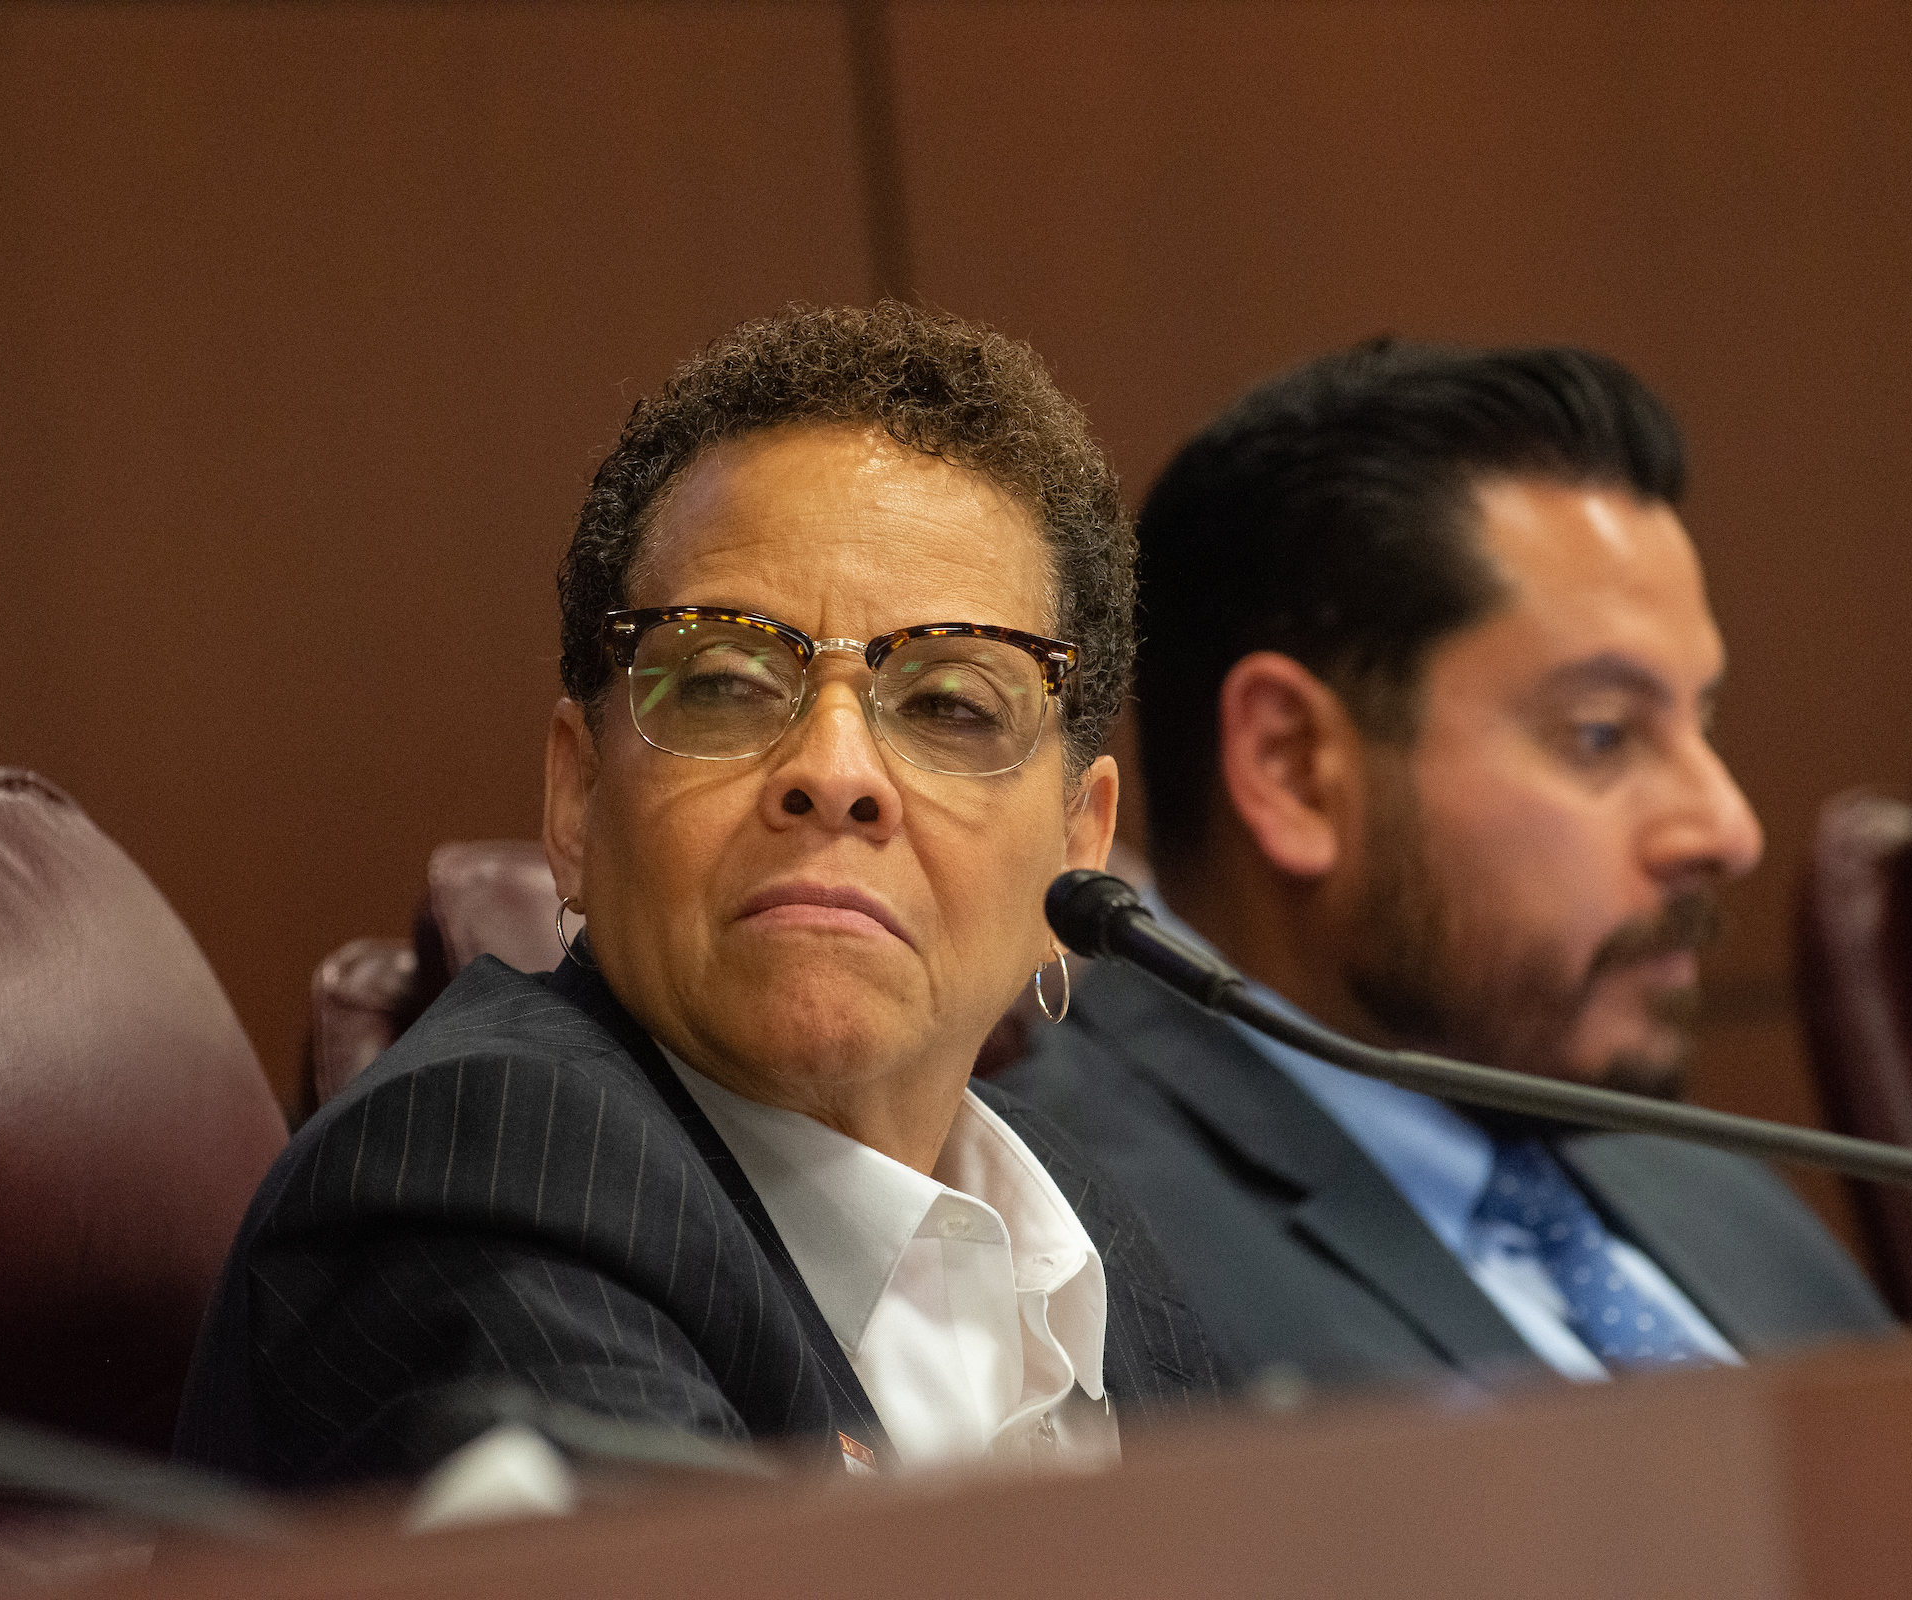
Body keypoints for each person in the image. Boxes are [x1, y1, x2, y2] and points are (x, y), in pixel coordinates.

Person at [175, 304, 1217, 1491]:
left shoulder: (1089, 1250)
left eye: (949, 706)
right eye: (726, 681)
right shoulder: (486, 1170)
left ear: (1075, 857)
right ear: (576, 801)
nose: (834, 773)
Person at [1001, 339, 1894, 1394]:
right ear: (1295, 769)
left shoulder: (1678, 1162)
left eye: (1701, 723)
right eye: (1603, 734)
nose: (1727, 827)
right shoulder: (1066, 1247)